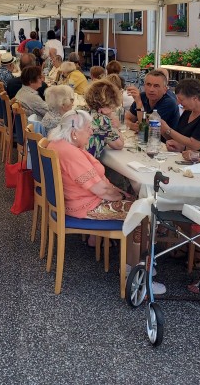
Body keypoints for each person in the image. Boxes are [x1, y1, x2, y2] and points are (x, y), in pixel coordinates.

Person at [47, 110, 163, 292]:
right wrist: (124, 197)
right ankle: (137, 277)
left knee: (137, 203)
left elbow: (100, 186)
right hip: (85, 206)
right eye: (88, 128)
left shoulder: (57, 144)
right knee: (144, 214)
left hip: (74, 201)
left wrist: (124, 196)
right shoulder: (70, 153)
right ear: (74, 133)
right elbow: (101, 190)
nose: (91, 132)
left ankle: (131, 265)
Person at [161, 79, 200, 153]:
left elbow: (195, 145)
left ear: (195, 98)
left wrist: (168, 130)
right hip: (184, 155)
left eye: (181, 99)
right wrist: (162, 129)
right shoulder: (188, 111)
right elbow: (177, 138)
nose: (178, 103)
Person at [84, 79, 124, 157]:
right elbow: (119, 145)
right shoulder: (102, 120)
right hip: (85, 162)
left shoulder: (81, 111)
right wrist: (115, 127)